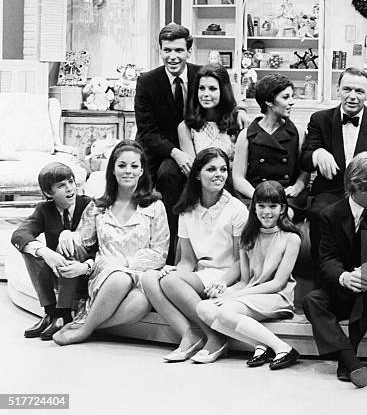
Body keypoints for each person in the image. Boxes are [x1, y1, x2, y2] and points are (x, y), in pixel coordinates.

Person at [302, 151, 367, 388]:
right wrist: (345, 277)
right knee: (312, 301)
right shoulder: (328, 215)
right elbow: (326, 259)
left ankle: (347, 362)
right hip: (343, 285)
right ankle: (351, 362)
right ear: (359, 185)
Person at [52, 140, 170, 346]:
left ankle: (86, 324)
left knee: (141, 303)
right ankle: (85, 330)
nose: (128, 171)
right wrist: (66, 234)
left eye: (134, 166)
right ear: (113, 170)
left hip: (140, 275)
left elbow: (159, 253)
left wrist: (125, 264)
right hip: (106, 275)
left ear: (142, 171)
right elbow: (83, 241)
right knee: (119, 279)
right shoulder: (98, 206)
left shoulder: (155, 206)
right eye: (122, 165)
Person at [141, 148, 248, 363]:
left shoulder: (237, 209)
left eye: (223, 169)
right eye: (211, 169)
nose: (219, 174)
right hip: (200, 274)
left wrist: (222, 283)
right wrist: (177, 271)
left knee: (170, 282)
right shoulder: (187, 210)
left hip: (225, 274)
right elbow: (188, 260)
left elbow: (240, 261)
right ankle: (192, 333)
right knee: (150, 278)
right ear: (198, 174)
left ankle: (215, 337)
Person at [195, 181, 302, 369]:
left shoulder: (291, 238)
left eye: (273, 206)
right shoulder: (248, 237)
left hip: (276, 297)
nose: (267, 212)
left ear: (283, 208)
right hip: (250, 293)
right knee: (203, 307)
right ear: (254, 208)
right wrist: (226, 290)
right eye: (261, 206)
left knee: (225, 312)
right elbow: (245, 281)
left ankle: (283, 348)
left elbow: (277, 283)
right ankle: (259, 345)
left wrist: (236, 296)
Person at [301, 67, 367, 268]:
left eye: (359, 91)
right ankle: (325, 275)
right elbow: (305, 158)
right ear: (338, 90)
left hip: (366, 192)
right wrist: (318, 153)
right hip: (330, 191)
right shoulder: (320, 119)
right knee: (319, 212)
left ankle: (366, 278)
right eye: (347, 89)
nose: (353, 96)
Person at [135, 23, 201, 265]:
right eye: (167, 50)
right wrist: (176, 153)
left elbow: (222, 99)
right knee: (169, 175)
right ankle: (172, 255)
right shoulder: (147, 81)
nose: (172, 57)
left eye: (179, 50)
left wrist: (239, 112)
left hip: (196, 148)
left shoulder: (200, 75)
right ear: (160, 51)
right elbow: (147, 132)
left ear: (188, 51)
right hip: (159, 151)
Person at [11, 163, 91, 340]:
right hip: (57, 274)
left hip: (84, 274)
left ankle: (63, 314)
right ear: (49, 193)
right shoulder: (44, 209)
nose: (70, 188)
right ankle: (50, 313)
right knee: (30, 250)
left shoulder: (89, 205)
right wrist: (45, 252)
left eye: (71, 182)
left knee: (69, 246)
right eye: (61, 186)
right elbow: (20, 234)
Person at [233, 74, 310, 219]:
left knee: (282, 217)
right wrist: (259, 196)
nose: (292, 102)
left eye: (292, 96)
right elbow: (238, 178)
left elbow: (305, 171)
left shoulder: (298, 133)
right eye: (285, 97)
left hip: (287, 196)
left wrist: (298, 186)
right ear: (269, 101)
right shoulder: (246, 135)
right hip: (254, 195)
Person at [177, 63, 242, 161]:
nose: (205, 94)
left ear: (223, 91)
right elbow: (193, 169)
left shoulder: (238, 121)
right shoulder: (185, 127)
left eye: (212, 89)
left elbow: (242, 166)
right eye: (202, 88)